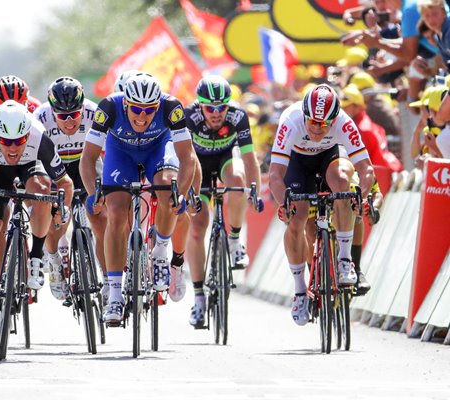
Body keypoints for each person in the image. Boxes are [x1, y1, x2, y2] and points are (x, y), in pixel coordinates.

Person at [79, 72, 197, 324]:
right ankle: (114, 294)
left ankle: (161, 252)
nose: (142, 117)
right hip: (121, 153)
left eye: (149, 110)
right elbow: (88, 158)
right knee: (116, 210)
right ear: (125, 104)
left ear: (158, 105)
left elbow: (187, 157)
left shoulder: (171, 107)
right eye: (136, 109)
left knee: (167, 189)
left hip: (158, 148)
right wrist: (93, 194)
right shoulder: (109, 107)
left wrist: (181, 193)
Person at [0, 100, 73, 333]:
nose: (12, 148)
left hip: (30, 166)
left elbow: (65, 183)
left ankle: (37, 257)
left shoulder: (39, 137)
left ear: (27, 135)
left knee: (42, 190)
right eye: (6, 142)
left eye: (19, 141)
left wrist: (63, 208)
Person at [268, 84, 375, 326]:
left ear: (335, 119)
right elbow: (275, 174)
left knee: (342, 184)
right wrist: (283, 202)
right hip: (298, 162)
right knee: (298, 216)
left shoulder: (344, 122)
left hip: (330, 156)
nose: (318, 128)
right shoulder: (290, 120)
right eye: (313, 122)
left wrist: (363, 196)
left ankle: (345, 260)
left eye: (325, 123)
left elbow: (366, 168)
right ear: (304, 116)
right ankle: (299, 291)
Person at [184, 75, 263, 327]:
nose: (217, 113)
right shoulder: (189, 117)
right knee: (197, 226)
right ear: (200, 105)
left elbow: (250, 159)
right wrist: (187, 192)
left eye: (222, 107)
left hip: (225, 159)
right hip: (197, 165)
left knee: (238, 179)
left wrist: (255, 192)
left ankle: (234, 239)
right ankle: (198, 297)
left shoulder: (238, 117)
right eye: (210, 108)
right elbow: (184, 159)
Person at [33, 76, 107, 301]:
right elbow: (32, 157)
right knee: (56, 221)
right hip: (55, 171)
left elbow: (111, 151)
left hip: (86, 166)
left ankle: (107, 277)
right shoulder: (39, 118)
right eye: (63, 117)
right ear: (52, 111)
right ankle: (55, 262)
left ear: (82, 106)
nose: (69, 122)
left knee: (101, 218)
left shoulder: (95, 113)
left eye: (75, 115)